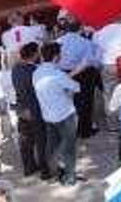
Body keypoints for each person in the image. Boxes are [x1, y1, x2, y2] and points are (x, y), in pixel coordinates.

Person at [33, 42, 81, 186]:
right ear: (56, 56)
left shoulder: (36, 72)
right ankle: (69, 177)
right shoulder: (57, 74)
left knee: (51, 146)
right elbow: (76, 87)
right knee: (69, 148)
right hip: (65, 115)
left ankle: (54, 173)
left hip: (47, 115)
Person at [10, 42, 48, 180]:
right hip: (35, 109)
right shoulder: (36, 71)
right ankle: (45, 170)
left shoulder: (15, 68)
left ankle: (29, 167)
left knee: (25, 141)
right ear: (34, 54)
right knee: (41, 140)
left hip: (21, 107)